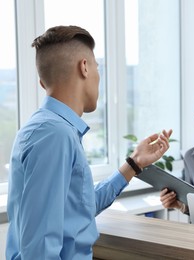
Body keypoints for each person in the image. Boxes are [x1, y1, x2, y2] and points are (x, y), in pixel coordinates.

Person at [6, 25, 172, 259]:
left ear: (43, 84)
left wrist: (134, 163)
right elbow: (40, 250)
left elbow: (80, 209)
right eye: (97, 66)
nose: (98, 76)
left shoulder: (52, 129)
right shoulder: (54, 135)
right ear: (84, 67)